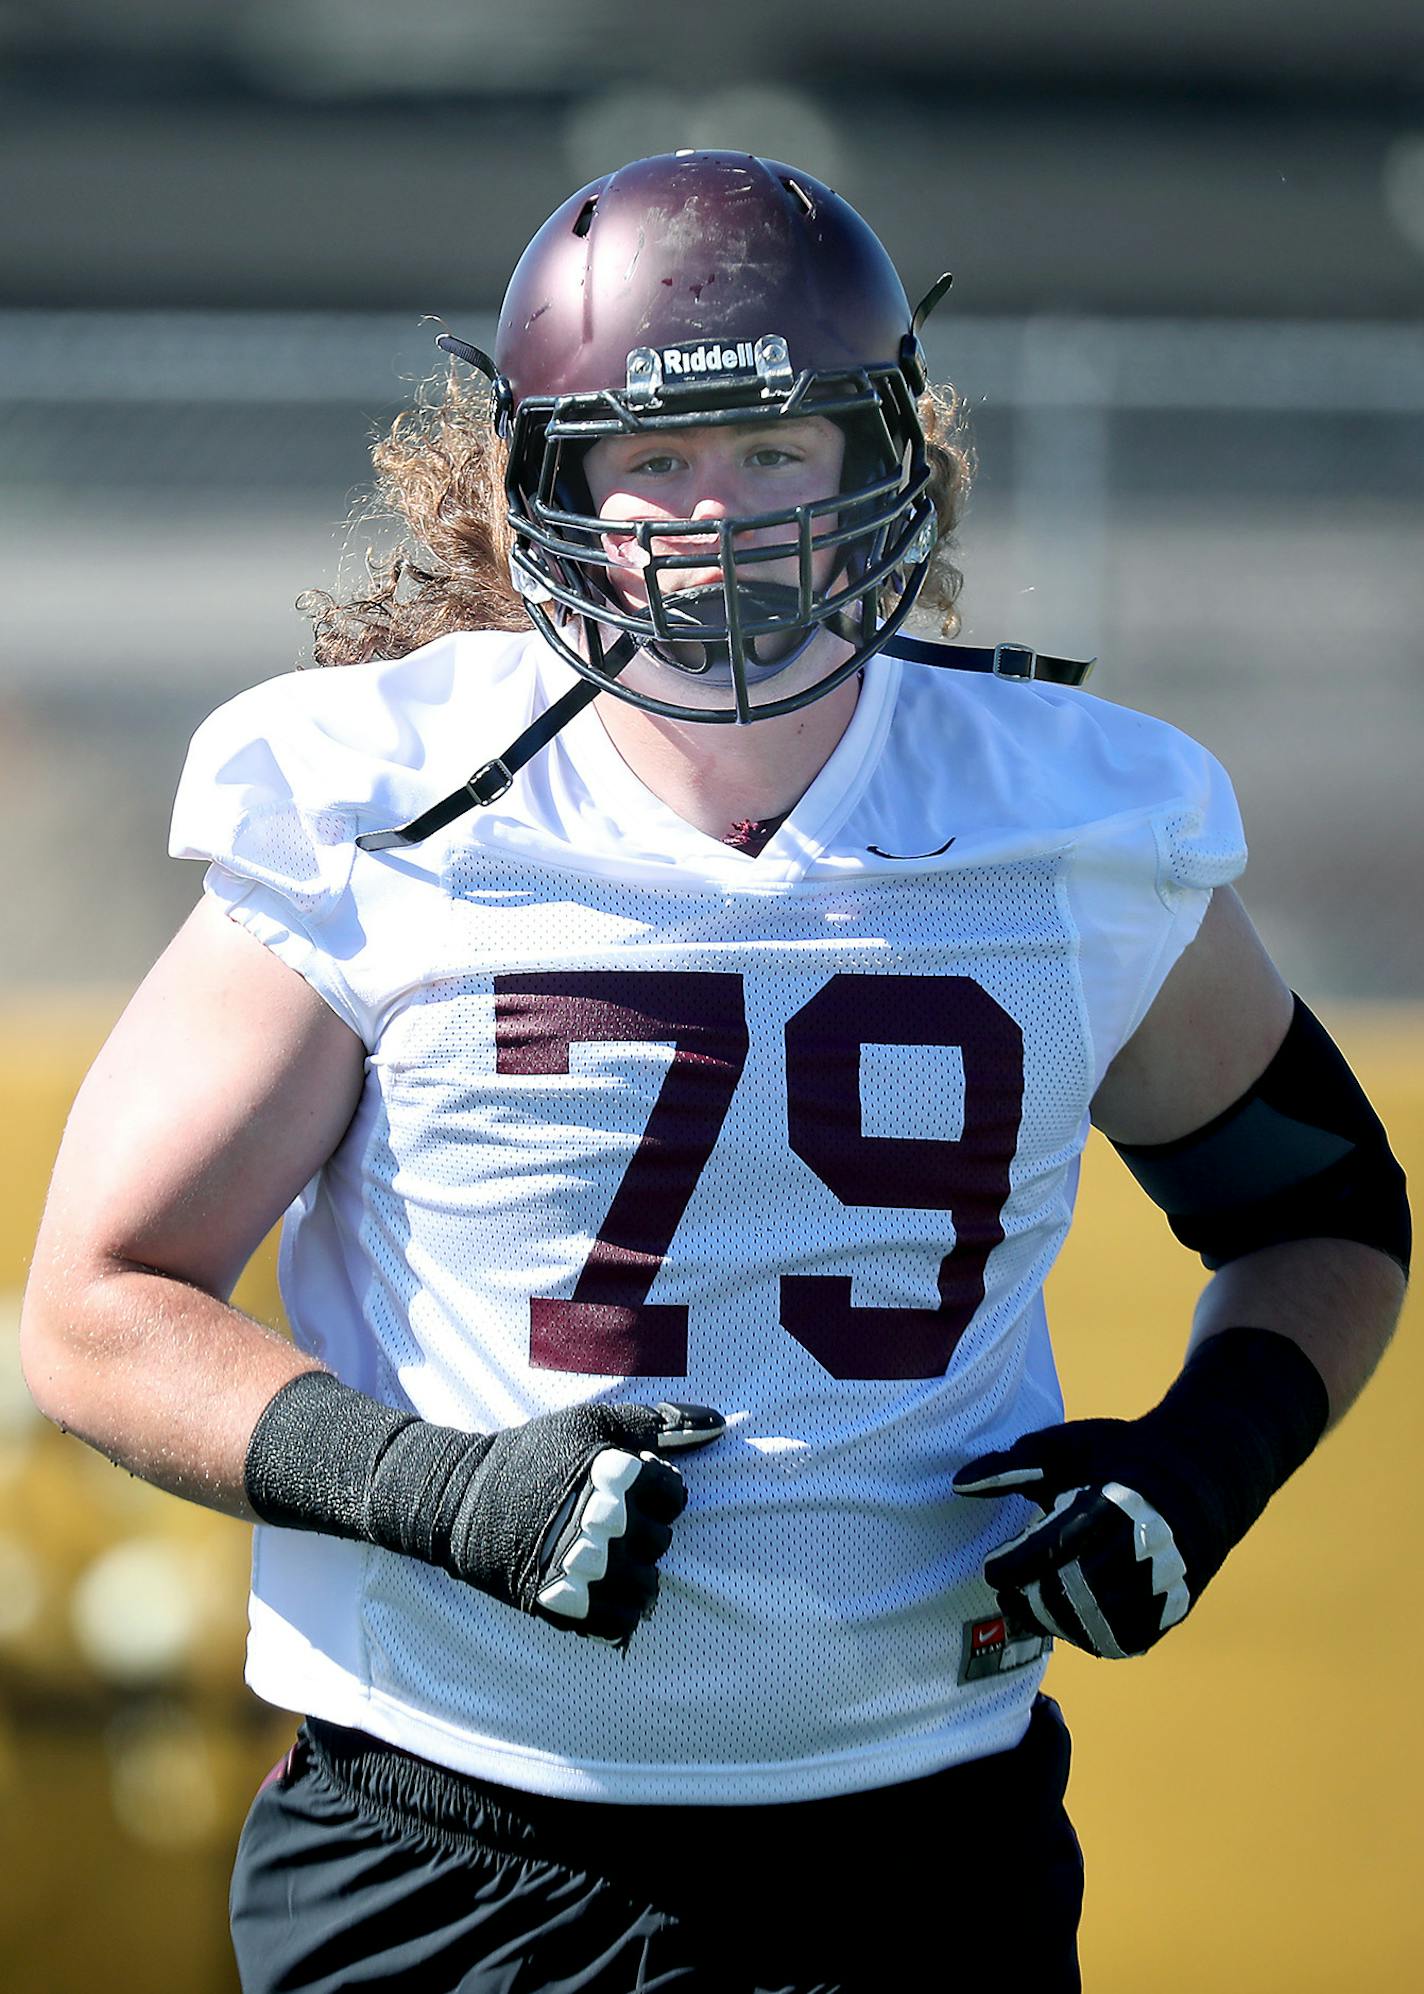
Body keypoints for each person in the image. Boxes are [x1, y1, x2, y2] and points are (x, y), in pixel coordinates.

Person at [20, 151, 1408, 1993]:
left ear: (879, 459)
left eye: (776, 449)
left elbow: (1328, 1214)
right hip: (455, 1848)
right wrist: (437, 1490)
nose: (717, 520)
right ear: (551, 484)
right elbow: (99, 1306)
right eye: (654, 460)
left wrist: (1211, 1460)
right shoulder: (385, 811)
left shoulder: (1064, 824)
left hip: (925, 1852)